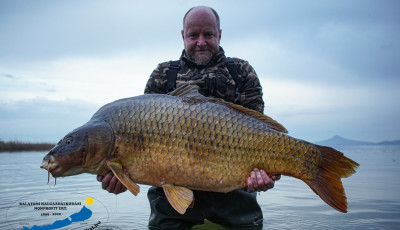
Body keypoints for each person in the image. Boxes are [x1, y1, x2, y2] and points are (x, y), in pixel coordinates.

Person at [97, 6, 281, 229]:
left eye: (209, 35)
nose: (201, 41)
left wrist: (264, 176)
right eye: (193, 35)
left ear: (219, 35)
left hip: (234, 195)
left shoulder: (241, 71)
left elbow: (260, 133)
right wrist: (121, 177)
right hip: (170, 200)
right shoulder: (163, 75)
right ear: (183, 36)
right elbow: (141, 147)